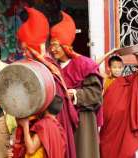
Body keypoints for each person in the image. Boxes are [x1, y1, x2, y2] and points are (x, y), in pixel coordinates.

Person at [14, 7, 76, 158]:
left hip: (46, 128)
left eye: (26, 49)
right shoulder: (37, 66)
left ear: (34, 48)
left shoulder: (47, 69)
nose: (23, 53)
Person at [49, 11, 103, 158]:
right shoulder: (52, 67)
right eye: (51, 45)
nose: (52, 49)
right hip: (59, 120)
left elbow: (96, 94)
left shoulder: (85, 64)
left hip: (82, 120)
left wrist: (75, 94)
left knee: (82, 152)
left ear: (66, 45)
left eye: (56, 45)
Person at [100, 53, 138, 158]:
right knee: (104, 147)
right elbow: (94, 65)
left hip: (123, 122)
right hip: (108, 124)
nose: (117, 70)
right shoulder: (106, 79)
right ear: (109, 68)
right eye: (114, 67)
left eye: (119, 67)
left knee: (125, 147)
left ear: (122, 68)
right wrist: (111, 52)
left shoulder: (127, 81)